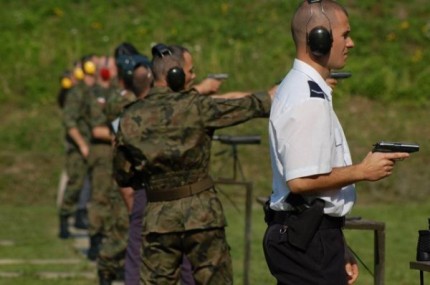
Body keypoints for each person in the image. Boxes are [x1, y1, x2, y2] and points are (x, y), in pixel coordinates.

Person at [263, 1, 409, 285]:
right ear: (320, 38)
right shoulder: (308, 99)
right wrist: (363, 171)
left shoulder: (300, 88)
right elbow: (301, 182)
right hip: (307, 243)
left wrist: (338, 245)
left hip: (309, 235)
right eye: (345, 35)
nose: (351, 43)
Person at [113, 43, 275, 284]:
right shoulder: (198, 107)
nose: (194, 76)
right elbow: (254, 105)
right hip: (203, 215)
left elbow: (123, 174)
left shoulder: (129, 117)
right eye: (190, 70)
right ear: (175, 75)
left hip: (158, 217)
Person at [58, 55, 98, 238]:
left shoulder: (95, 91)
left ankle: (84, 217)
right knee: (76, 183)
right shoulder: (78, 92)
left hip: (95, 145)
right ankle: (64, 217)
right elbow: (70, 122)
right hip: (79, 147)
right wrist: (82, 145)